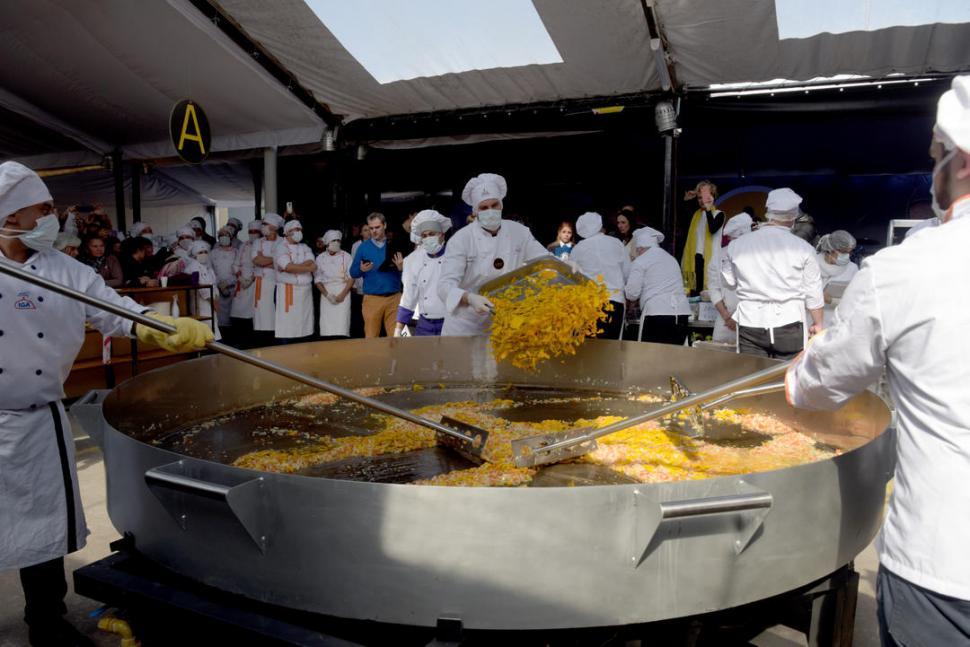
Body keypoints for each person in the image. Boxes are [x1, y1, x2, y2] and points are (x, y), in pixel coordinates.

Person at [785, 75, 970, 647]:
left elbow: (822, 384)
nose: (932, 167)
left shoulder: (906, 268)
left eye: (936, 153)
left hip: (946, 565)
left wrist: (800, 372)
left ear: (960, 164)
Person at [0, 161, 212, 647]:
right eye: (42, 209)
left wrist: (162, 327)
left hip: (36, 418)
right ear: (10, 214)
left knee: (41, 529)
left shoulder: (64, 271)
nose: (52, 218)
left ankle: (46, 624)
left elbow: (118, 313)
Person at [438, 173, 548, 336]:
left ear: (501, 205)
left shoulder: (519, 232)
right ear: (475, 211)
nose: (490, 211)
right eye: (483, 207)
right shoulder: (461, 239)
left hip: (504, 322)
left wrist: (566, 266)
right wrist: (469, 298)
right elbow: (444, 286)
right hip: (466, 326)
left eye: (494, 205)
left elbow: (544, 261)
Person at [720, 188, 823, 359]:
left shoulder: (737, 245)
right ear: (793, 217)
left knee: (752, 379)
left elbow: (728, 282)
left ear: (768, 213)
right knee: (788, 378)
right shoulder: (804, 248)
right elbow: (813, 292)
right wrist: (818, 323)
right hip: (790, 323)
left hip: (750, 322)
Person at [624, 227, 691, 345]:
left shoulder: (640, 261)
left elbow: (632, 294)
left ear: (639, 248)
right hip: (681, 314)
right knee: (676, 357)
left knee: (653, 357)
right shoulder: (671, 258)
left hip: (657, 314)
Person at [571, 211, 630, 340]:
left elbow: (573, 278)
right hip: (616, 301)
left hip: (590, 303)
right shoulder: (616, 243)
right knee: (612, 346)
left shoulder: (578, 249)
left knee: (590, 347)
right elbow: (627, 272)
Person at [395, 209, 451, 337]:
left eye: (432, 234)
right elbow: (408, 298)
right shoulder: (412, 260)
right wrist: (398, 331)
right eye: (424, 236)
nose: (428, 238)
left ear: (442, 234)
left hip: (451, 323)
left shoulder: (455, 256)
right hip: (425, 325)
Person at [349, 213, 403, 338]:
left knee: (396, 337)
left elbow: (410, 273)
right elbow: (353, 272)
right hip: (372, 299)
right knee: (371, 337)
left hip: (394, 298)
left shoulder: (395, 245)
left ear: (385, 225)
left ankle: (395, 358)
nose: (374, 231)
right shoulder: (363, 247)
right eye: (371, 228)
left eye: (377, 227)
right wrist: (361, 269)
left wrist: (402, 268)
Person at [706, 213, 753, 343]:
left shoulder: (756, 255)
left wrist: (730, 317)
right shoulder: (718, 255)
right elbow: (713, 288)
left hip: (750, 320)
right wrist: (727, 317)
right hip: (726, 321)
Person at [681, 180, 725, 295]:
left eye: (705, 197)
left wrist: (708, 208)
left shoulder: (719, 214)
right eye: (699, 197)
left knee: (708, 295)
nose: (702, 200)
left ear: (713, 196)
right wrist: (686, 201)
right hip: (695, 259)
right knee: (693, 293)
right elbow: (682, 221)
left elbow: (712, 228)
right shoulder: (696, 215)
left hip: (710, 261)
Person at [273, 220, 315, 342]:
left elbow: (312, 263)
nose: (299, 232)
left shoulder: (305, 247)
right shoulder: (280, 247)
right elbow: (287, 266)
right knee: (288, 326)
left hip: (304, 293)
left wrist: (293, 267)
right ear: (287, 232)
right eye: (296, 230)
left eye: (300, 230)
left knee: (304, 325)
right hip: (287, 291)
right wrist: (305, 269)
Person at [814, 230, 859, 328]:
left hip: (836, 324)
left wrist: (831, 300)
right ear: (830, 250)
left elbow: (855, 301)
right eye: (843, 252)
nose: (847, 256)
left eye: (849, 252)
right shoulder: (811, 263)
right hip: (812, 321)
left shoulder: (852, 269)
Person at [314, 230, 353, 339]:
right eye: (333, 240)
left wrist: (342, 295)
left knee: (342, 326)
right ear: (327, 243)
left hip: (343, 291)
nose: (336, 243)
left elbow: (351, 277)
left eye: (338, 240)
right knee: (327, 329)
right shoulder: (320, 258)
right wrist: (327, 295)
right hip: (327, 293)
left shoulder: (347, 256)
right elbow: (317, 280)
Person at [252, 212, 283, 343]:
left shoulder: (283, 242)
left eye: (265, 224)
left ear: (274, 227)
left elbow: (285, 263)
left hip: (278, 284)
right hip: (262, 283)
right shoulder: (258, 242)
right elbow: (256, 260)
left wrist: (268, 260)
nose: (262, 226)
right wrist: (275, 261)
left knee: (277, 318)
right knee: (262, 319)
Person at [229, 220, 260, 346]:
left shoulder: (262, 245)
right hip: (241, 281)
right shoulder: (243, 246)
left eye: (255, 232)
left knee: (252, 312)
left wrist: (251, 279)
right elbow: (235, 264)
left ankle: (252, 341)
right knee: (238, 310)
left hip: (255, 281)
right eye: (250, 232)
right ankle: (239, 341)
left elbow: (261, 266)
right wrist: (240, 277)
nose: (252, 234)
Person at [185, 240, 221, 341]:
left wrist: (216, 298)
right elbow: (202, 289)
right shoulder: (192, 267)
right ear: (195, 254)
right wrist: (213, 302)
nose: (204, 254)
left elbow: (214, 284)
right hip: (200, 303)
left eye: (205, 252)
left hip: (212, 303)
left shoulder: (208, 267)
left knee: (213, 326)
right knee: (206, 327)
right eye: (200, 252)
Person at [211, 227, 238, 330]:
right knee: (220, 319)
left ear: (231, 237)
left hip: (234, 290)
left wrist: (228, 283)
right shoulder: (213, 253)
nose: (223, 237)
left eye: (226, 235)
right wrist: (220, 284)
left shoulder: (237, 252)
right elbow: (210, 270)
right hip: (218, 290)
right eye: (221, 235)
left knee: (233, 317)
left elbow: (239, 271)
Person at [348, 223, 370, 338]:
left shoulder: (376, 245)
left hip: (372, 285)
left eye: (369, 229)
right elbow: (353, 265)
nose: (368, 232)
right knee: (360, 312)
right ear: (361, 233)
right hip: (359, 282)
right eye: (365, 230)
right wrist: (355, 284)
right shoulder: (356, 245)